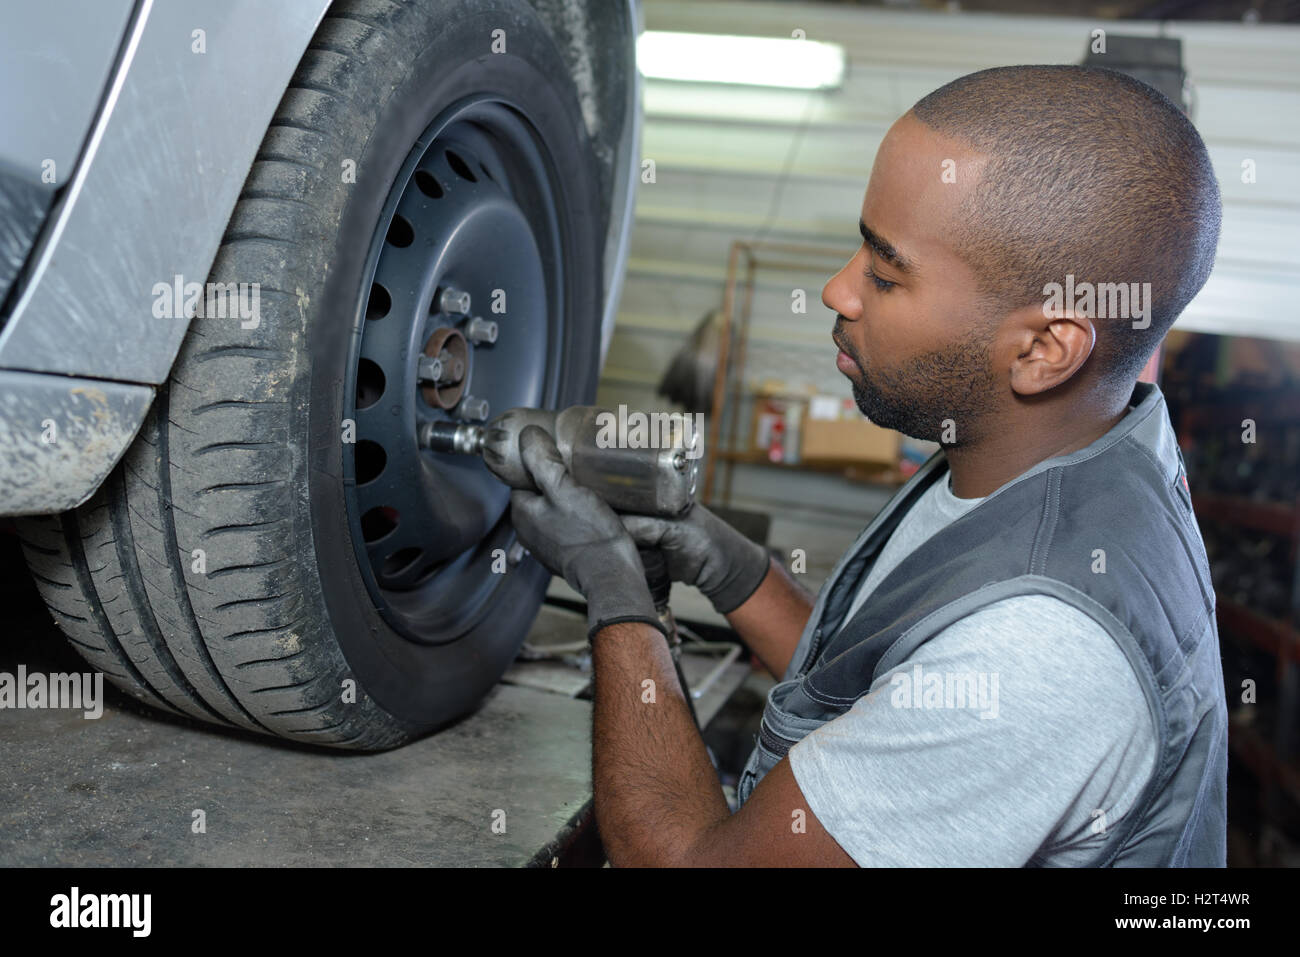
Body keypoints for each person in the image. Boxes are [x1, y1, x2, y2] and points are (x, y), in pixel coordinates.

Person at [508, 65, 1227, 867]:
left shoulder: (1042, 652)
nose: (838, 289)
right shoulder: (1055, 450)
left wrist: (617, 595)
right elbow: (900, 687)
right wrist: (732, 568)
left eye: (886, 275)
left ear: (1041, 350)